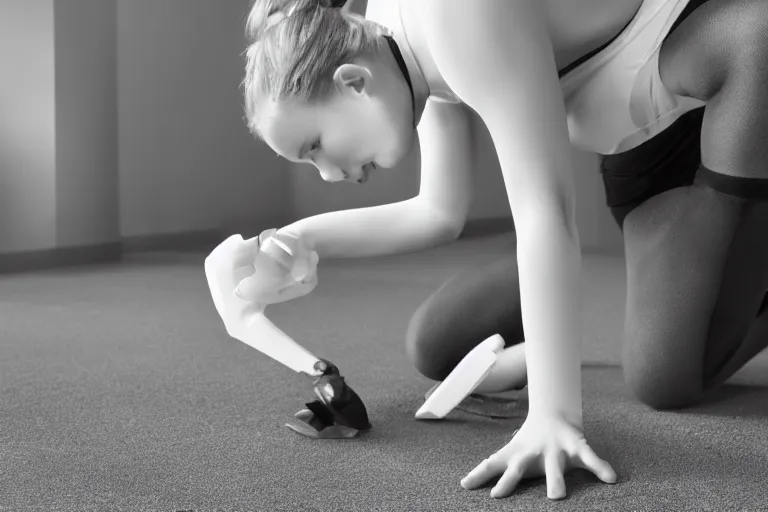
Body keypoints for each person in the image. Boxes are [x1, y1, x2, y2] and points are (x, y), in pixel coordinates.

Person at [221, 0, 768, 501]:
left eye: (314, 147)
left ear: (353, 82)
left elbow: (546, 214)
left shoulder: (457, 13)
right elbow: (438, 211)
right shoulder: (391, 51)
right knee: (438, 344)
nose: (329, 173)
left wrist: (552, 415)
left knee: (665, 378)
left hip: (725, 70)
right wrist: (295, 239)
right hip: (639, 146)